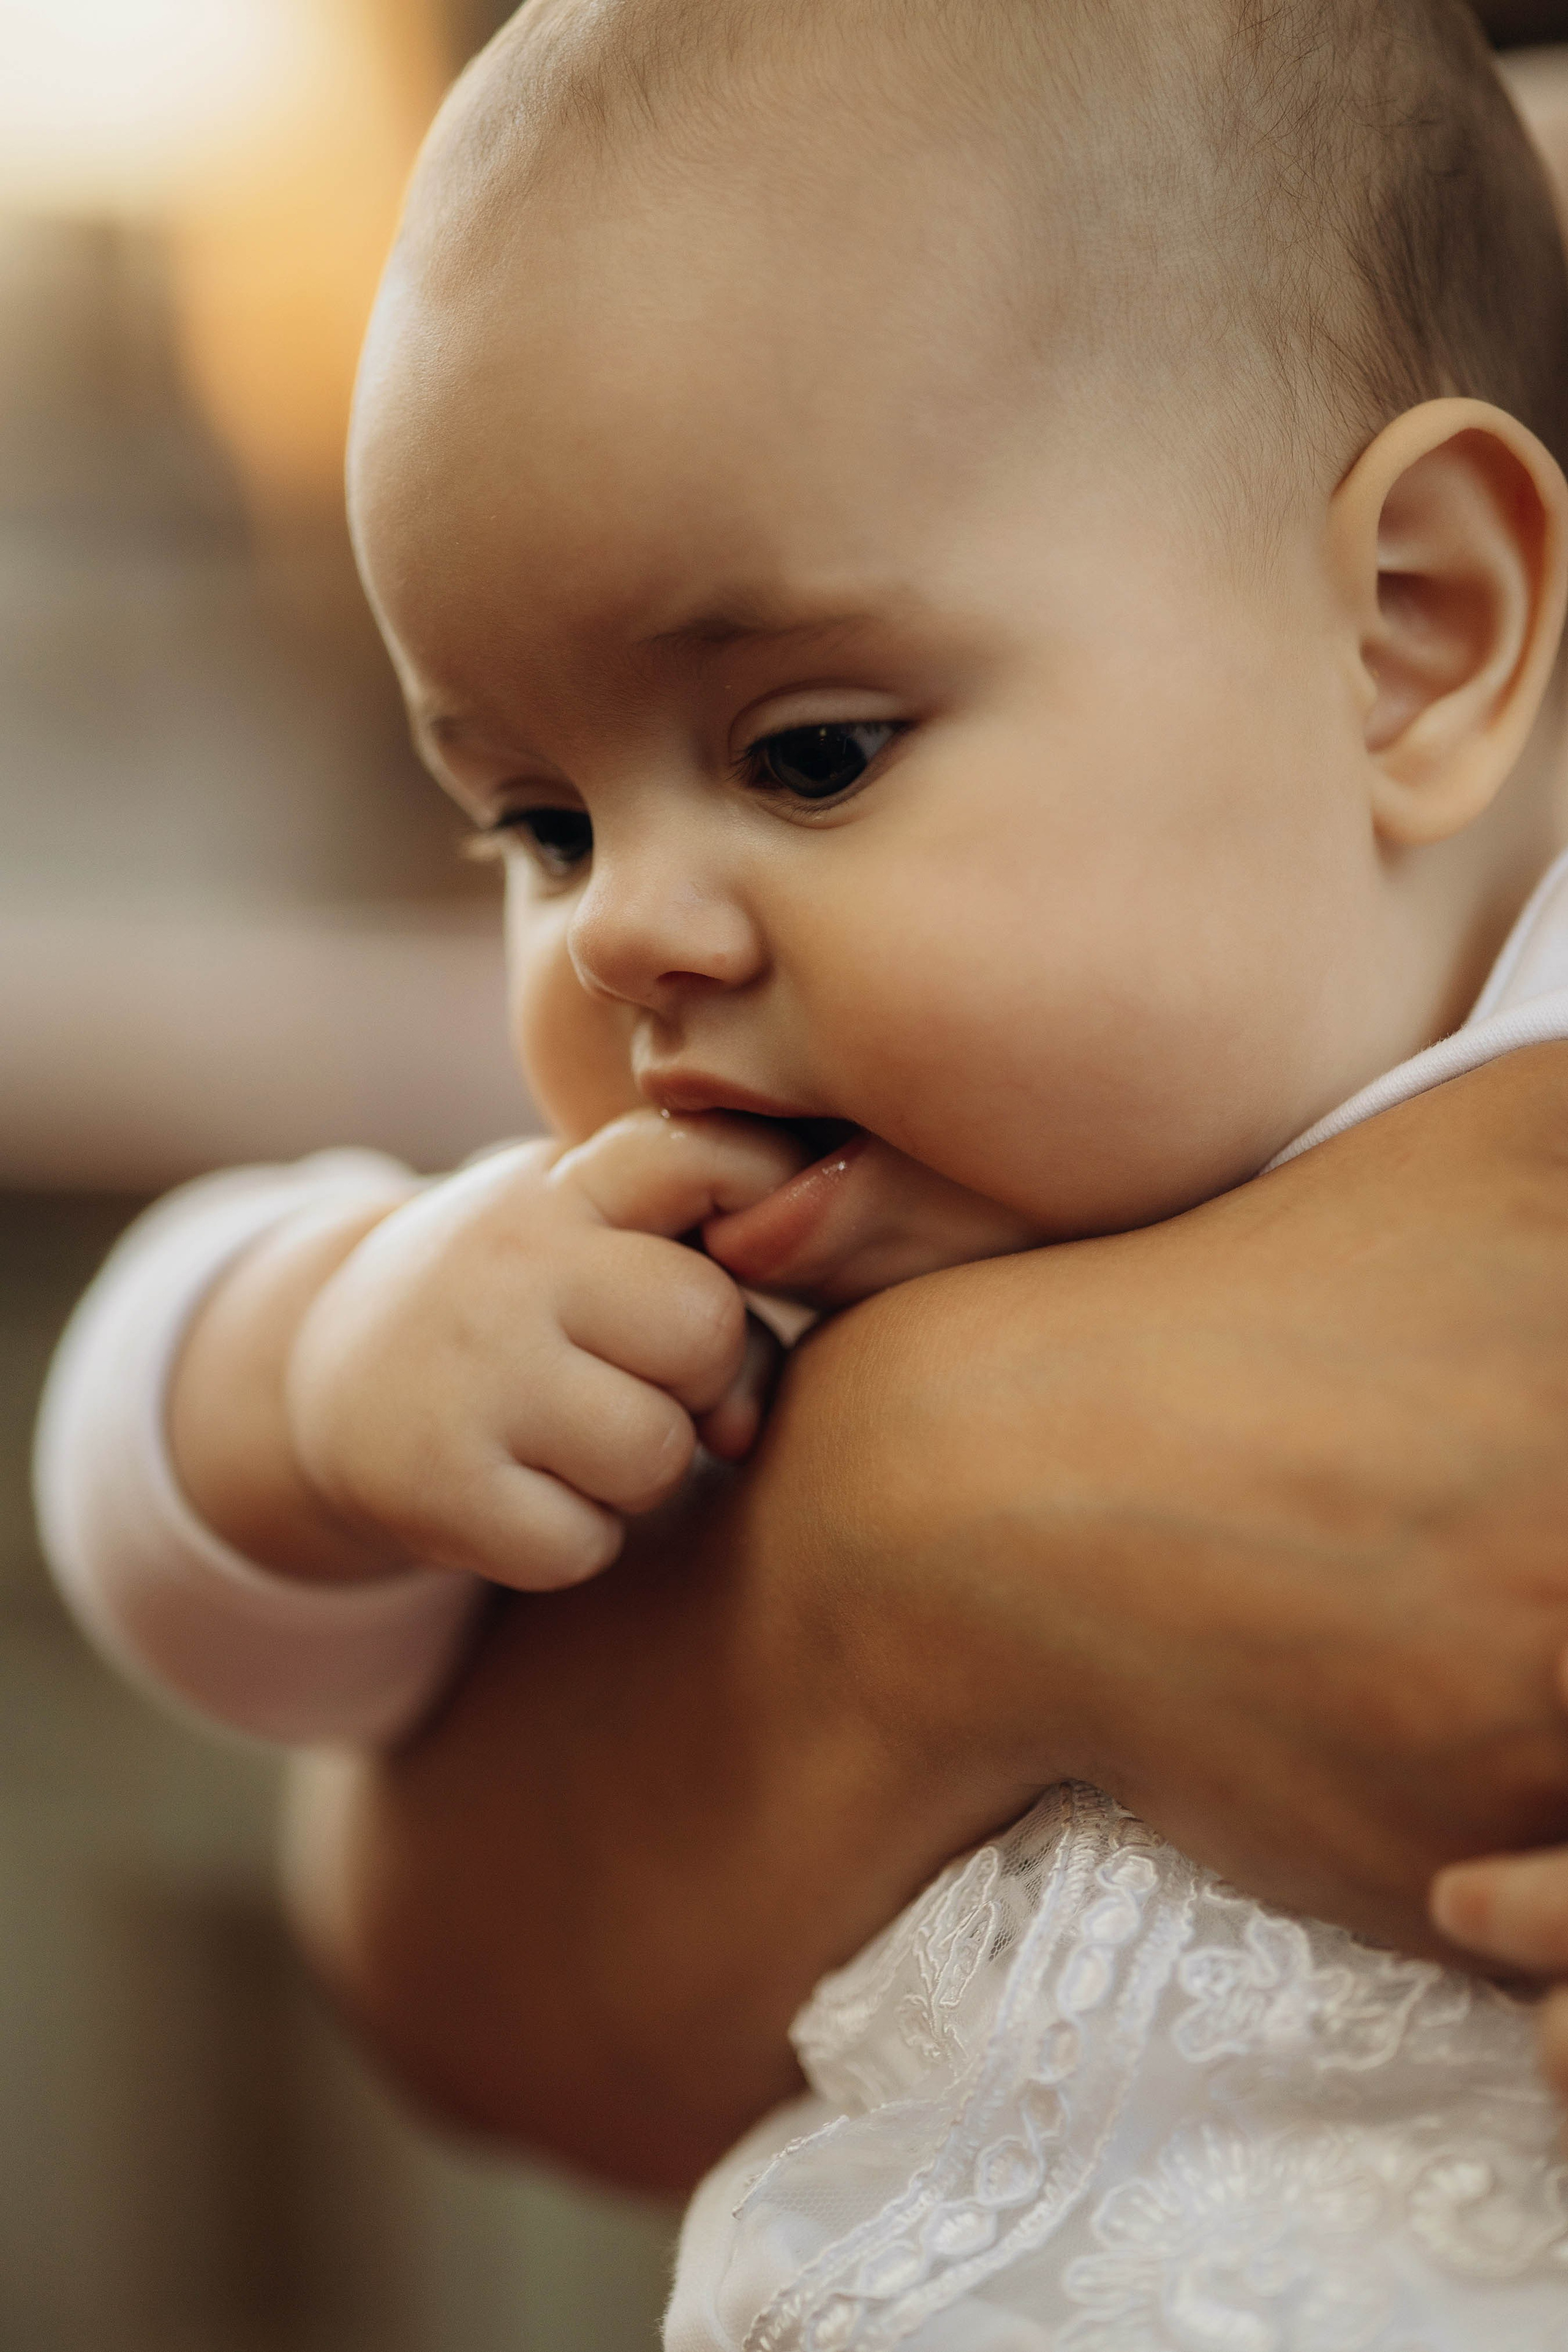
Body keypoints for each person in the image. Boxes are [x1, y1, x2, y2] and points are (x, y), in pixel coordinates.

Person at [31, 0, 1568, 2339]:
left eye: (814, 752)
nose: (625, 928)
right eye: (536, 820)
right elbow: (203, 1542)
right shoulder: (730, 1256)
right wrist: (339, 1345)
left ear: (1412, 636)